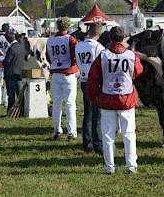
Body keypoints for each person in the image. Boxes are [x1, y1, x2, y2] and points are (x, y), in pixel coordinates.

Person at [87, 26, 143, 174]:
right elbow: (138, 71)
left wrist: (94, 96)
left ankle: (109, 166)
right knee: (129, 133)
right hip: (126, 99)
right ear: (123, 38)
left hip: (107, 99)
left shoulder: (103, 55)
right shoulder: (131, 55)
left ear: (110, 38)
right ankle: (131, 165)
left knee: (108, 135)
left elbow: (93, 78)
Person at [46, 17, 78, 140]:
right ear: (68, 27)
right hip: (68, 73)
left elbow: (48, 57)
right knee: (70, 103)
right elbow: (75, 56)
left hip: (55, 74)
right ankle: (71, 131)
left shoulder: (50, 40)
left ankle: (56, 129)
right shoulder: (71, 39)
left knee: (57, 103)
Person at [75, 23, 105, 154]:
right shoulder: (99, 47)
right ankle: (97, 142)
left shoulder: (78, 45)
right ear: (98, 34)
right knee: (97, 114)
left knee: (87, 112)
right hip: (95, 82)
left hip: (83, 79)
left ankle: (87, 143)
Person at [3, 29, 25, 113]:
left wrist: (3, 60)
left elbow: (7, 62)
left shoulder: (11, 48)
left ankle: (10, 111)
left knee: (11, 95)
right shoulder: (21, 47)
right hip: (19, 73)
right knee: (19, 94)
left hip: (10, 75)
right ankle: (22, 110)